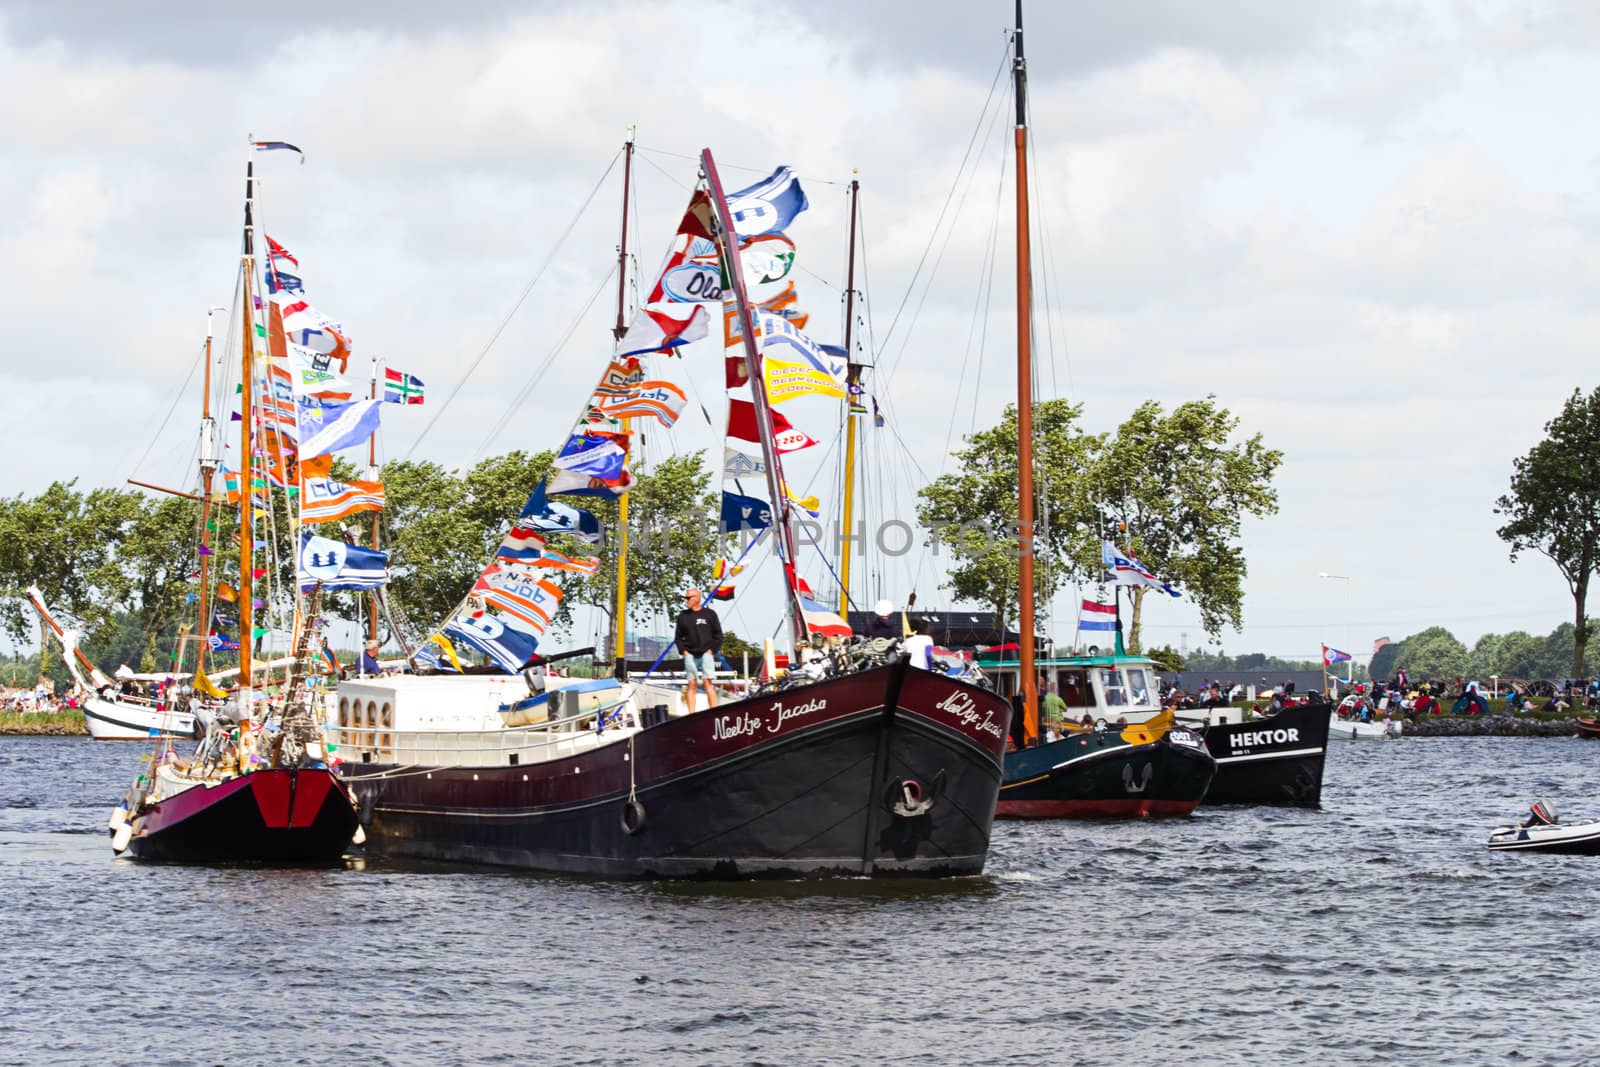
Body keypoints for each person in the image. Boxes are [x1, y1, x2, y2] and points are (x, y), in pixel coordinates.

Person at [675, 587, 723, 713]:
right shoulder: (683, 616)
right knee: (692, 684)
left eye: (689, 598)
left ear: (697, 598)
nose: (686, 600)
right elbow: (678, 638)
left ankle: (714, 712)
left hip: (706, 653)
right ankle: (692, 714)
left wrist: (711, 650)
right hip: (690, 654)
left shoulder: (710, 614)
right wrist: (684, 652)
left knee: (708, 683)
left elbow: (718, 635)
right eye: (685, 598)